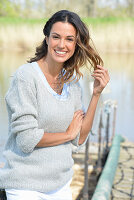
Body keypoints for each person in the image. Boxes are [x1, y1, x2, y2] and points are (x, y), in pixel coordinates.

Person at [0, 10, 110, 200]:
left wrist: (96, 94)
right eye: (56, 37)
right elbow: (27, 139)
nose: (61, 45)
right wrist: (67, 134)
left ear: (76, 44)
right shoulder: (26, 77)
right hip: (24, 185)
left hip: (61, 185)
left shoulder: (73, 84)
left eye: (69, 39)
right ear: (47, 38)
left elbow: (80, 138)